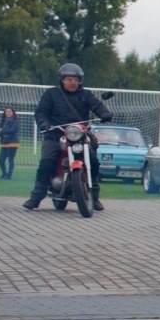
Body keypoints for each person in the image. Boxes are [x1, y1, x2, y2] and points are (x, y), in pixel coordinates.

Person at [24, 63, 113, 211]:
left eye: (76, 80)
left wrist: (104, 113)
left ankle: (94, 197)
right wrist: (44, 124)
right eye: (69, 79)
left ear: (80, 81)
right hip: (56, 135)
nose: (73, 82)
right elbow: (41, 112)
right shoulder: (51, 94)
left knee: (94, 161)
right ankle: (36, 196)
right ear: (62, 80)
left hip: (79, 136)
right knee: (46, 161)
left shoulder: (85, 95)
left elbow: (97, 106)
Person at [0, 106, 20, 179]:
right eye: (6, 112)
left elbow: (13, 130)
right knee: (1, 160)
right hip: (4, 142)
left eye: (9, 111)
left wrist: (2, 131)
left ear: (12, 113)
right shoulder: (3, 121)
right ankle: (4, 174)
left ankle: (9, 175)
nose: (8, 113)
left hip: (13, 142)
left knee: (10, 159)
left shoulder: (15, 121)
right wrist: (3, 133)